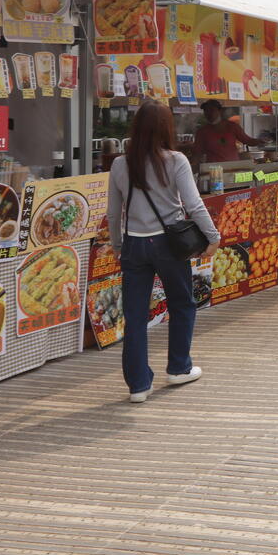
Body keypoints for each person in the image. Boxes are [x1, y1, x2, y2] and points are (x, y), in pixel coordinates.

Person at [106, 101, 221, 403]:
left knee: (134, 316)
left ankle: (138, 386)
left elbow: (113, 212)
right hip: (169, 244)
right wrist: (213, 237)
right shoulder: (176, 160)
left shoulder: (120, 164)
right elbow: (194, 204)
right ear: (166, 128)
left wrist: (117, 246)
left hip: (133, 245)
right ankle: (179, 367)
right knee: (182, 303)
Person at [190, 100, 261, 165]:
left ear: (220, 111)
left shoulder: (232, 126)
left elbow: (248, 140)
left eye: (211, 110)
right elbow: (197, 153)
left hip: (234, 167)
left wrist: (261, 141)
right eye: (206, 111)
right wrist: (192, 167)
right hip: (214, 170)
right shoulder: (202, 132)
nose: (208, 113)